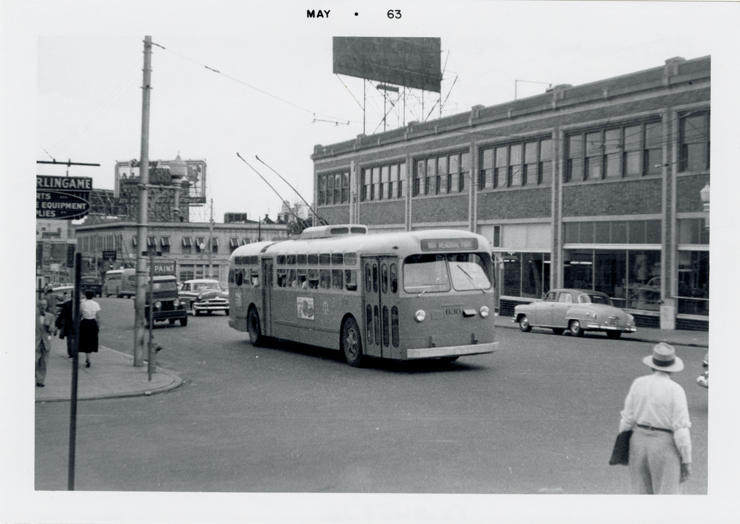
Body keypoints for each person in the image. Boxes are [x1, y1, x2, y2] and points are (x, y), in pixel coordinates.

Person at [618, 342, 692, 494]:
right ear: (672, 368)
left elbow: (626, 421)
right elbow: (681, 429)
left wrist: (623, 448)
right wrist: (686, 460)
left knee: (640, 494)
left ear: (652, 365)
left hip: (638, 442)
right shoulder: (675, 389)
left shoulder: (638, 383)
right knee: (666, 496)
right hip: (664, 445)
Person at [78, 290, 101, 368]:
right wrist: (98, 326)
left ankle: (88, 357)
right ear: (93, 296)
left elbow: (80, 314)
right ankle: (89, 357)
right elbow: (98, 316)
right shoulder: (96, 304)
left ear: (85, 295)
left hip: (84, 322)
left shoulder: (82, 304)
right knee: (91, 340)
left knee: (85, 340)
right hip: (92, 322)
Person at [35, 299, 55, 387]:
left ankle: (40, 381)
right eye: (41, 305)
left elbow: (53, 330)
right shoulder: (33, 316)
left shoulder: (50, 316)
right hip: (35, 342)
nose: (43, 306)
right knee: (34, 361)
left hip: (46, 342)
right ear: (37, 306)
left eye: (44, 305)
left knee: (43, 362)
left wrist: (49, 326)